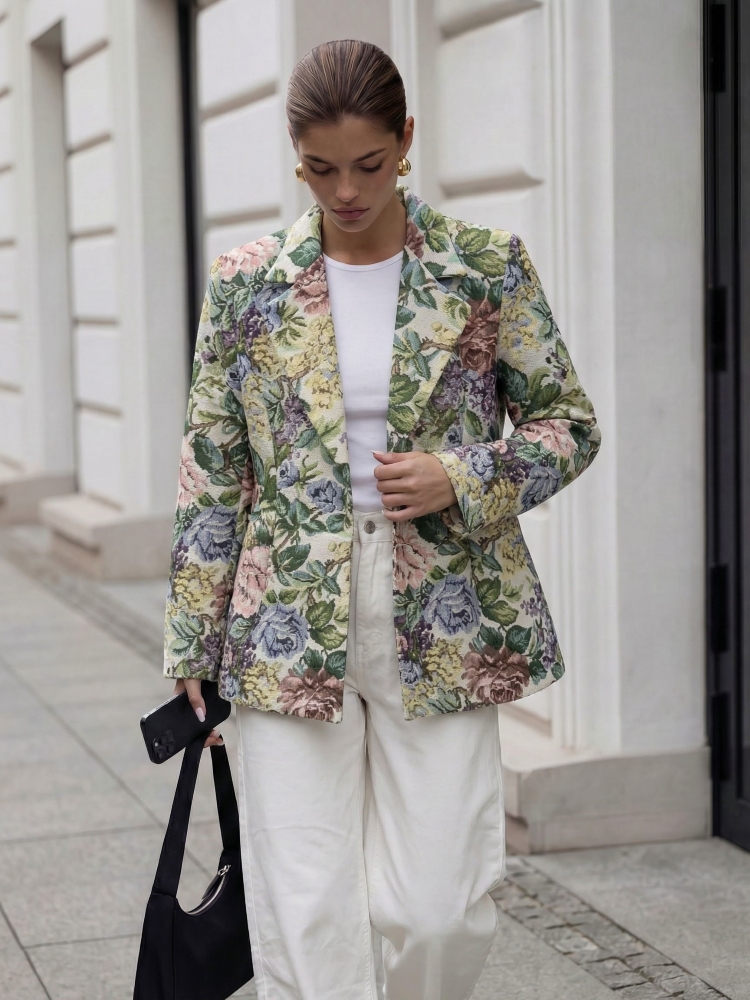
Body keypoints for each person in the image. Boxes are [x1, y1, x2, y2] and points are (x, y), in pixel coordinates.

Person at [164, 38, 600, 1000]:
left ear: (406, 139)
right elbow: (214, 469)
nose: (347, 191)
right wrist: (193, 639)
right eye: (320, 170)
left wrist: (463, 474)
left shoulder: (484, 269)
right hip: (284, 614)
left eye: (368, 163)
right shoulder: (245, 283)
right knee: (306, 905)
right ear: (296, 159)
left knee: (441, 904)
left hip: (447, 608)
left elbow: (570, 426)